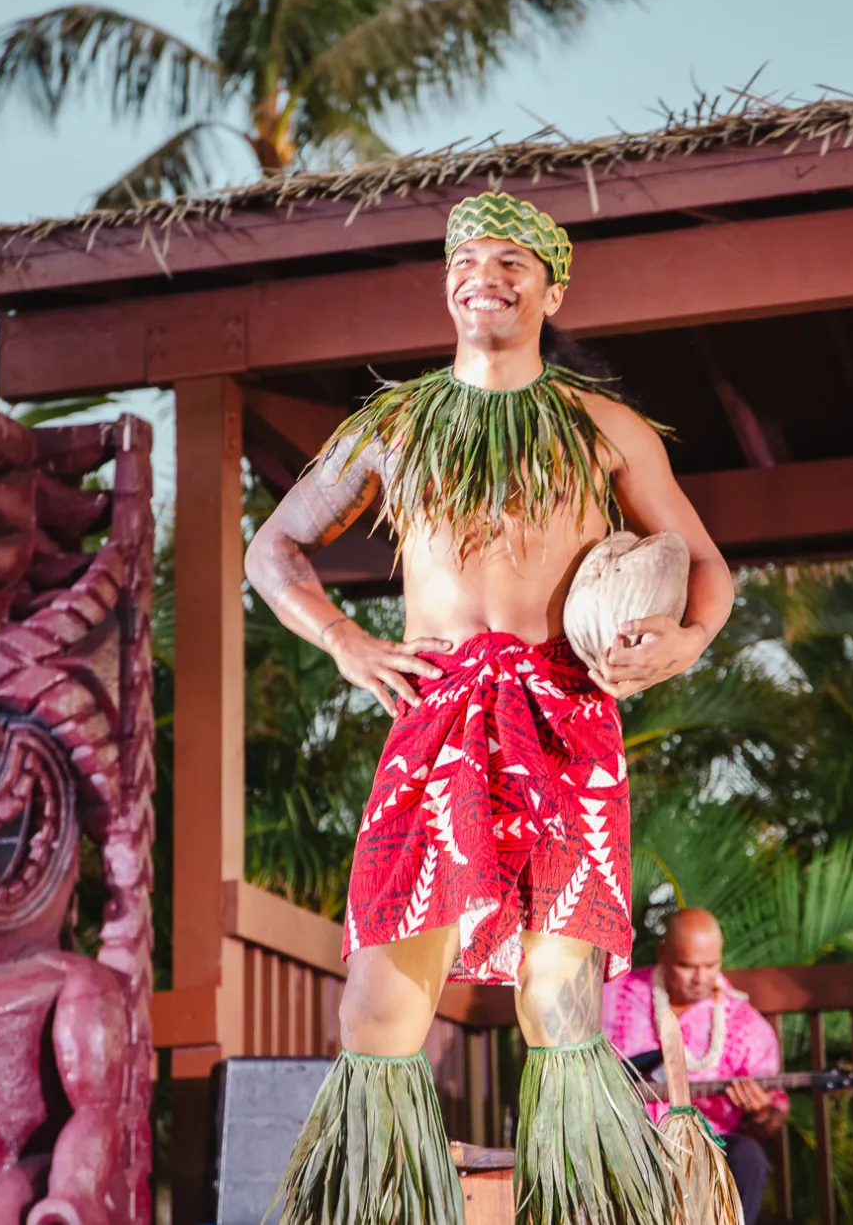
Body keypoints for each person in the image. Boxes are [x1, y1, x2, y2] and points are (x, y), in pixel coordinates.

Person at [245, 190, 734, 1225]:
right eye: (470, 258)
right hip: (437, 720)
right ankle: (377, 1202)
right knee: (380, 1001)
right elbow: (273, 548)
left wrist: (683, 642)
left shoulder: (603, 428)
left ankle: (586, 1205)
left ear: (551, 289)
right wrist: (346, 642)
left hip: (566, 715)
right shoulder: (395, 425)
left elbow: (704, 567)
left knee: (560, 999)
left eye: (515, 262)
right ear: (446, 282)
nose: (488, 275)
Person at [604, 908, 789, 1225]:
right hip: (625, 1142)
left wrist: (762, 1113)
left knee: (747, 1158)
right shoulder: (615, 995)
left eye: (710, 965)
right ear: (663, 952)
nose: (701, 977)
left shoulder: (743, 1024)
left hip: (708, 1146)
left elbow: (771, 1119)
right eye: (687, 965)